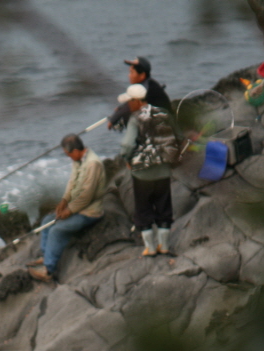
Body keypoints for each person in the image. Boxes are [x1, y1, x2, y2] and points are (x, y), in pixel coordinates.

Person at [27, 134, 107, 283]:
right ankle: (46, 256)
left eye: (68, 154)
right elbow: (72, 183)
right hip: (76, 208)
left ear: (76, 150)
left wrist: (68, 211)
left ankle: (48, 270)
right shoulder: (78, 160)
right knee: (47, 221)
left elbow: (86, 196)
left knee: (57, 230)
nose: (68, 157)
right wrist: (64, 201)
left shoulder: (92, 164)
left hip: (90, 213)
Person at [119, 83, 180, 256]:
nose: (128, 105)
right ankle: (165, 246)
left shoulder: (135, 118)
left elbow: (127, 145)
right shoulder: (163, 113)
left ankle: (150, 248)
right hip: (163, 171)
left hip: (142, 174)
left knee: (143, 209)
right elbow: (178, 135)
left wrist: (126, 158)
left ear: (137, 102)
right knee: (164, 207)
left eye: (129, 102)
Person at [107, 56, 172, 131]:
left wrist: (112, 120)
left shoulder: (145, 87)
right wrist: (120, 109)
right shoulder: (149, 83)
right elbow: (131, 102)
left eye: (132, 72)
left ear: (142, 75)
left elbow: (130, 105)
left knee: (132, 117)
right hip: (158, 118)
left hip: (163, 122)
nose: (129, 75)